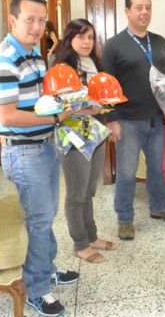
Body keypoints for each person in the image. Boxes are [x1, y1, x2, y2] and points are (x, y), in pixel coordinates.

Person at [0, 0, 78, 317]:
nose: (37, 27)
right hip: (24, 153)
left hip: (43, 144)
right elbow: (6, 116)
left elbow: (40, 101)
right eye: (29, 20)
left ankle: (47, 269)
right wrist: (55, 119)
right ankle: (37, 289)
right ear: (13, 20)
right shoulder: (2, 61)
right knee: (38, 220)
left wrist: (68, 101)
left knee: (45, 215)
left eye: (42, 20)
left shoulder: (34, 55)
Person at [102, 0, 165, 241]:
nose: (144, 12)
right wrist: (111, 120)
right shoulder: (114, 45)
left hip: (157, 119)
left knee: (157, 168)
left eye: (148, 7)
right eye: (138, 7)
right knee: (126, 173)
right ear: (127, 11)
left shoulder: (159, 42)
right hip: (127, 121)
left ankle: (158, 208)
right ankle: (124, 218)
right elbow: (106, 85)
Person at [55, 18, 117, 263]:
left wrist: (102, 108)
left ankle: (91, 236)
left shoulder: (94, 63)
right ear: (69, 39)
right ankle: (80, 244)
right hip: (72, 135)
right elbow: (60, 107)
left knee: (90, 190)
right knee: (76, 193)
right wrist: (93, 107)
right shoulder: (61, 67)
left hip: (95, 131)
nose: (87, 42)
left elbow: (101, 99)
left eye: (90, 37)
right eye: (81, 36)